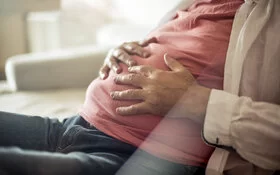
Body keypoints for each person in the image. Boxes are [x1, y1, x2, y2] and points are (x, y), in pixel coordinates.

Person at [0, 1, 279, 175]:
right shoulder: (197, 3)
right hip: (72, 126)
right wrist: (122, 53)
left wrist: (198, 101)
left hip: (134, 155)